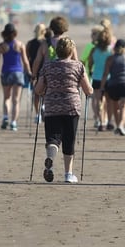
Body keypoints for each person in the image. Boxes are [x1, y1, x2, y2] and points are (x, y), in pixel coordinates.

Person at [34, 37, 93, 183]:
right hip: (71, 107)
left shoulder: (47, 66)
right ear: (72, 50)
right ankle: (68, 174)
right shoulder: (78, 66)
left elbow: (38, 89)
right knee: (69, 140)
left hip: (52, 106)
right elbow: (88, 90)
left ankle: (51, 160)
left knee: (53, 138)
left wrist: (45, 88)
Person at [0, 23, 32, 131]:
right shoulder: (20, 45)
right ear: (14, 33)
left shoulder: (1, 46)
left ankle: (5, 117)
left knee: (6, 97)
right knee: (16, 100)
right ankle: (13, 122)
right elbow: (25, 61)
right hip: (18, 73)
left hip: (6, 72)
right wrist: (29, 73)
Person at [99, 39, 125, 137]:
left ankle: (118, 126)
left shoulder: (110, 59)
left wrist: (102, 87)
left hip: (112, 85)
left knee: (116, 107)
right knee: (124, 106)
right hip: (124, 84)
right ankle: (120, 125)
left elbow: (105, 74)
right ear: (124, 48)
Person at [88, 26, 113, 131]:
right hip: (108, 78)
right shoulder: (110, 51)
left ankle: (101, 121)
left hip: (97, 78)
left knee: (98, 101)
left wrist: (90, 71)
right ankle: (109, 121)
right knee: (108, 101)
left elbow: (90, 63)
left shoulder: (94, 50)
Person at [25, 23, 46, 123]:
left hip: (34, 69)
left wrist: (29, 71)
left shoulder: (30, 43)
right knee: (45, 91)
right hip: (44, 69)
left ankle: (38, 114)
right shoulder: (46, 43)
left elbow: (27, 57)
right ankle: (44, 106)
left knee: (35, 93)